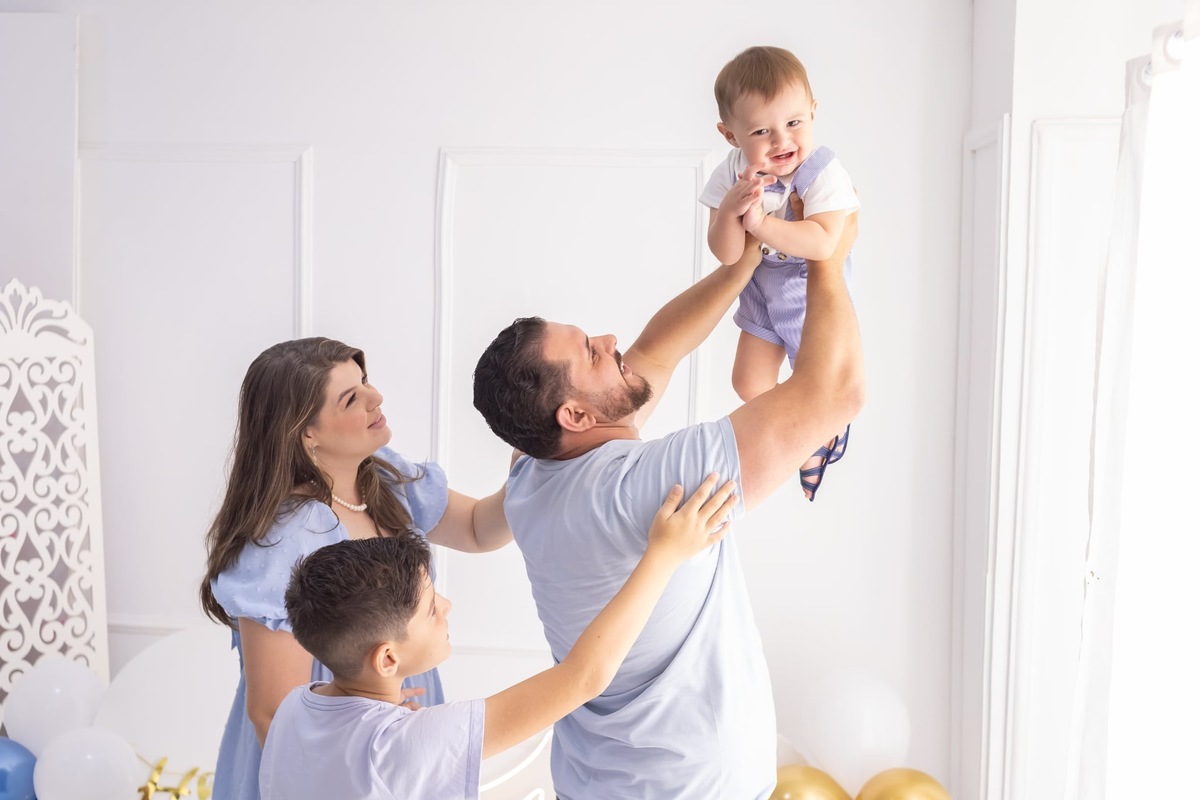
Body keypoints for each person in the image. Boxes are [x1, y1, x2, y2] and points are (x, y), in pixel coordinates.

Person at [471, 195, 862, 796]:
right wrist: (827, 247)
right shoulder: (659, 484)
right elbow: (835, 392)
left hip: (593, 783)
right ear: (574, 414)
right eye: (592, 353)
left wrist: (745, 262)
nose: (609, 339)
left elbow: (655, 351)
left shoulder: (530, 474)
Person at [258, 475, 737, 800]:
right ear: (386, 659)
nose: (446, 608)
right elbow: (584, 676)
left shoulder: (298, 708)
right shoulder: (402, 746)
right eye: (430, 610)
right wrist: (664, 555)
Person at [200, 337, 513, 800]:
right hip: (327, 763)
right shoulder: (284, 539)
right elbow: (272, 711)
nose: (376, 398)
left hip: (393, 731)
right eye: (351, 398)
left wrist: (533, 462)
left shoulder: (382, 477)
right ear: (307, 433)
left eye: (364, 382)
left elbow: (475, 528)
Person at [701, 44, 861, 500]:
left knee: (821, 378)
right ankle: (812, 431)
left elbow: (825, 243)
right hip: (758, 288)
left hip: (805, 288)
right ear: (730, 135)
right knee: (747, 382)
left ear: (813, 112)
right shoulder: (731, 173)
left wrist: (762, 225)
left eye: (793, 123)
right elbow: (727, 255)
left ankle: (821, 428)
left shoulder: (823, 171)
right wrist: (730, 213)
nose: (781, 141)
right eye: (760, 130)